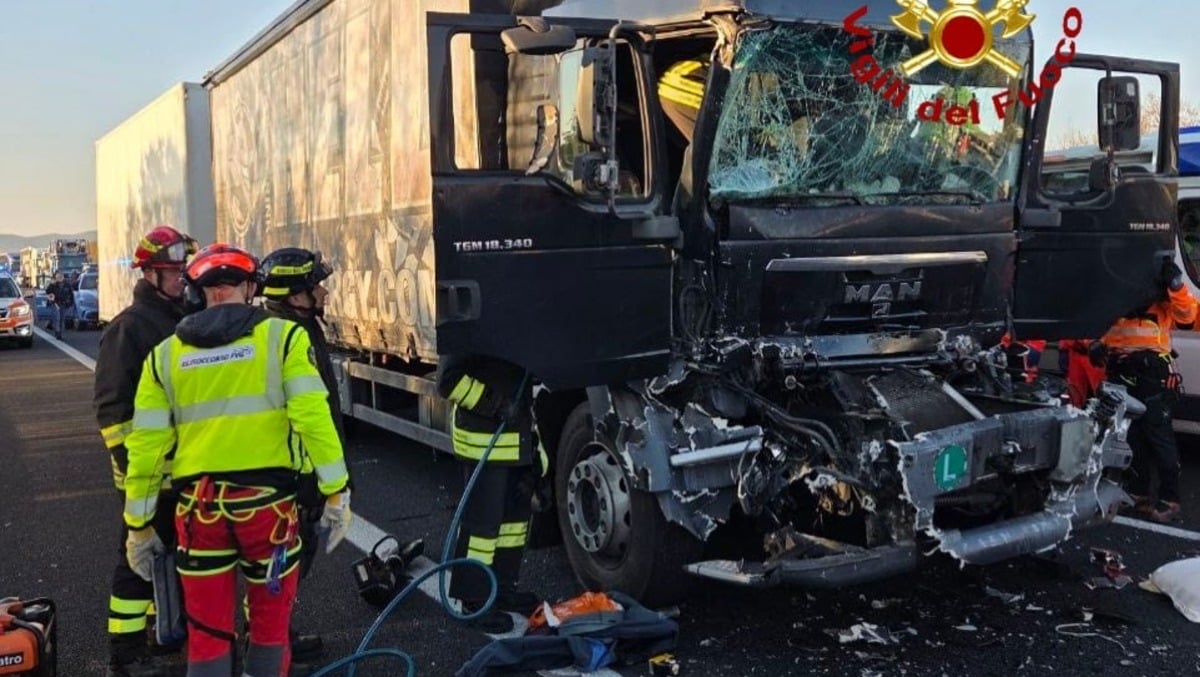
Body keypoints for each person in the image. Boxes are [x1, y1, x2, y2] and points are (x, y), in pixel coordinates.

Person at [122, 243, 352, 677]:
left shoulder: (165, 356)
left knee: (207, 633)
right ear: (251, 289)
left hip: (200, 516)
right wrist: (336, 491)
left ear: (196, 293)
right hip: (268, 515)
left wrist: (139, 524)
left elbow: (147, 450)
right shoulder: (283, 339)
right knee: (269, 629)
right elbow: (314, 420)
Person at [94, 224, 197, 677]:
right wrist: (132, 466)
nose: (183, 278)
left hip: (185, 468)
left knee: (173, 554)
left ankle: (163, 631)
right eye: (174, 272)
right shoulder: (129, 328)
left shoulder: (180, 320)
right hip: (148, 471)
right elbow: (113, 409)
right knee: (136, 559)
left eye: (183, 270)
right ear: (150, 275)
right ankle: (126, 649)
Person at [257, 247, 341, 662]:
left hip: (298, 472)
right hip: (296, 475)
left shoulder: (296, 328)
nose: (323, 293)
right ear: (294, 296)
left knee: (288, 563)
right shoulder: (288, 337)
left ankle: (273, 636)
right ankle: (270, 644)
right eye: (315, 286)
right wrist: (329, 482)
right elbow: (307, 415)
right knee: (283, 564)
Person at [437, 356, 545, 634]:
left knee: (513, 527)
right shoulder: (468, 321)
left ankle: (502, 589)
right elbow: (448, 382)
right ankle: (474, 601)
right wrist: (495, 404)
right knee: (481, 530)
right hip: (484, 441)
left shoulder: (513, 327)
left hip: (516, 440)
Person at [1099, 259, 1200, 523]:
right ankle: (1138, 495)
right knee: (1132, 439)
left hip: (1152, 376)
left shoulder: (1163, 299)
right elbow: (1113, 331)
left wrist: (1177, 285)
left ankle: (1170, 500)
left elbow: (1188, 317)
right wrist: (1099, 345)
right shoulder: (1118, 298)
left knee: (1159, 438)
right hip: (1122, 372)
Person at [44, 270, 74, 339]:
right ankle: (57, 332)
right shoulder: (53, 284)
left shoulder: (67, 284)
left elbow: (71, 294)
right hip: (55, 303)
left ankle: (59, 332)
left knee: (62, 318)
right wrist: (52, 284)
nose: (60, 277)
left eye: (61, 275)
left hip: (63, 303)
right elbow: (47, 291)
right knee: (57, 317)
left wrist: (70, 302)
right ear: (56, 277)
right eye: (58, 276)